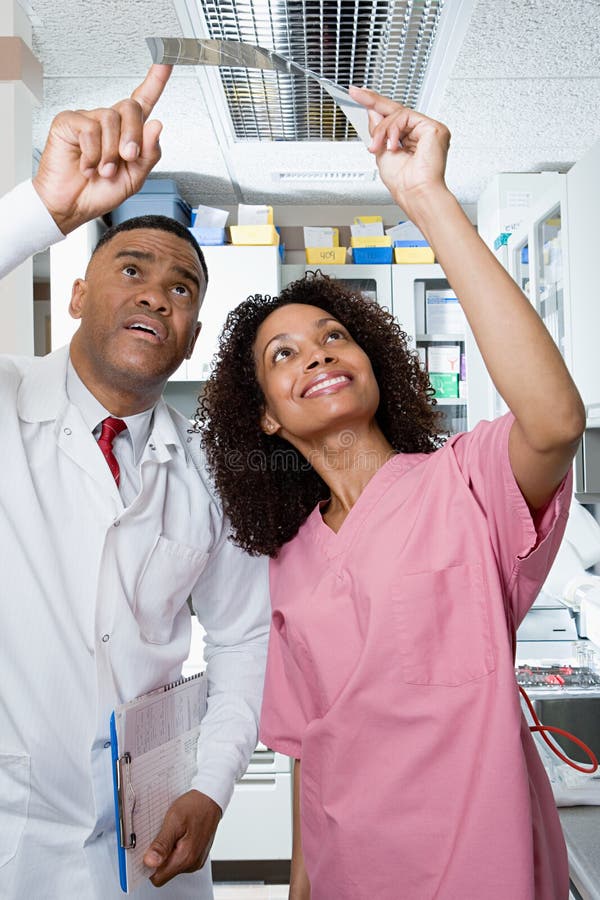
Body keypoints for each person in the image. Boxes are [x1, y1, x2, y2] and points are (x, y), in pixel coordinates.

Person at [199, 87, 586, 899]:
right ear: (265, 419)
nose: (315, 353)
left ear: (373, 359)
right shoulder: (290, 563)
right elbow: (309, 755)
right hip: (349, 871)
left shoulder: (468, 481)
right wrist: (299, 891)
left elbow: (553, 421)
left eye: (334, 335)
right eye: (283, 355)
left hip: (486, 868)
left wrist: (425, 197)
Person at [0, 65, 270, 899]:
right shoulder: (7, 403)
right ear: (77, 294)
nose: (158, 292)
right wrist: (43, 211)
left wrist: (214, 783)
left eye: (183, 287)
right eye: (132, 269)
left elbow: (242, 637)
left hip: (150, 843)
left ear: (191, 337)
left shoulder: (212, 476)